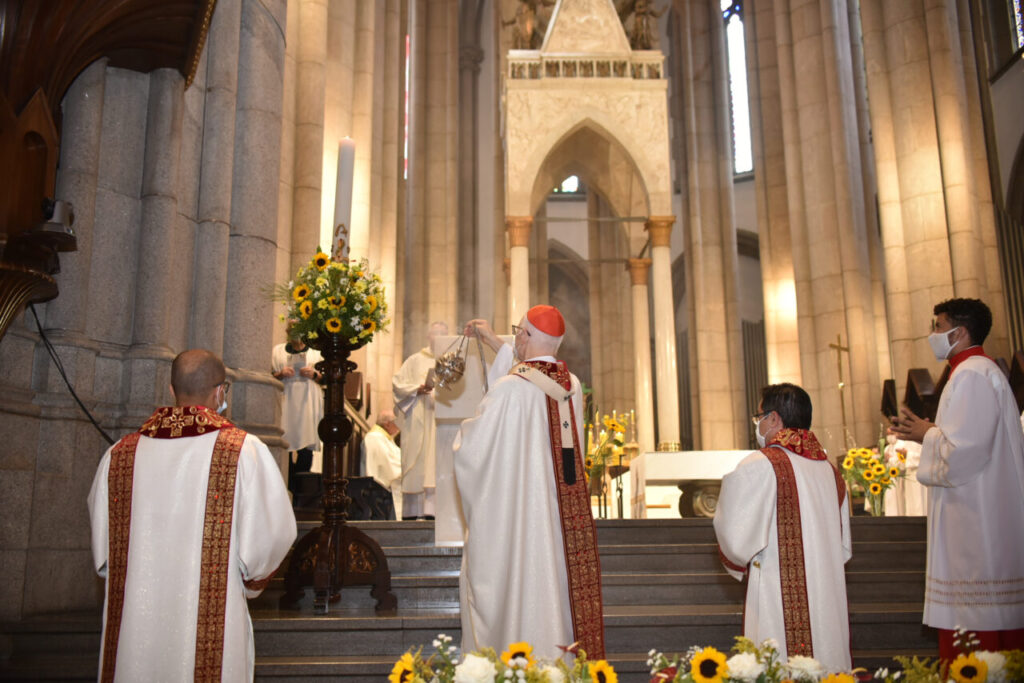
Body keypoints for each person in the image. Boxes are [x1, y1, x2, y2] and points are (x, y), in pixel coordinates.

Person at [87, 349, 296, 681]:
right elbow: (273, 535)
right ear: (220, 392)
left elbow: (104, 555)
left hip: (136, 623)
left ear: (171, 390)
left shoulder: (119, 456)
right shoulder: (243, 452)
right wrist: (247, 582)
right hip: (214, 623)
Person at [454, 305, 605, 661]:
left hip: (519, 519)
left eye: (518, 332)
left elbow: (473, 453)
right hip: (561, 518)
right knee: (556, 583)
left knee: (518, 581)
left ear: (526, 336)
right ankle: (560, 660)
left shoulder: (509, 389)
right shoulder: (572, 386)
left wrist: (461, 438)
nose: (516, 338)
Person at [889, 297, 1024, 658]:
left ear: (960, 332)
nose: (932, 334)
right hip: (977, 512)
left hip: (976, 520)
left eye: (938, 326)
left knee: (977, 630)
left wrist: (926, 435)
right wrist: (933, 432)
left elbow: (966, 452)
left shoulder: (971, 375)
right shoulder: (973, 372)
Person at [714, 383, 851, 670]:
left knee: (778, 663)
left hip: (777, 590)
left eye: (759, 417)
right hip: (826, 591)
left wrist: (738, 559)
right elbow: (843, 546)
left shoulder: (761, 463)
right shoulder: (831, 472)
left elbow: (734, 537)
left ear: (774, 418)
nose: (758, 424)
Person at [393, 322, 448, 520]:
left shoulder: (451, 362)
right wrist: (417, 389)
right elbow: (398, 384)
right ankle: (412, 512)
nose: (438, 338)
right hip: (417, 418)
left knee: (437, 463)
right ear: (428, 337)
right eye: (435, 334)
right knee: (415, 463)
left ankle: (434, 511)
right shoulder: (414, 360)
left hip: (439, 419)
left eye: (443, 334)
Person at [271, 327, 324, 495]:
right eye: (292, 329)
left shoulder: (316, 352)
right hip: (286, 398)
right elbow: (270, 375)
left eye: (299, 329)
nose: (296, 333)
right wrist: (281, 373)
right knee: (285, 439)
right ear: (287, 331)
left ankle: (300, 492)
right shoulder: (278, 351)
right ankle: (285, 486)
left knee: (305, 442)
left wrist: (314, 374)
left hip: (307, 401)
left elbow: (325, 377)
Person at [360, 411, 404, 518]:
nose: (399, 427)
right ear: (387, 424)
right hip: (377, 486)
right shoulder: (375, 438)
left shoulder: (385, 438)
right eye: (397, 423)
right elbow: (388, 465)